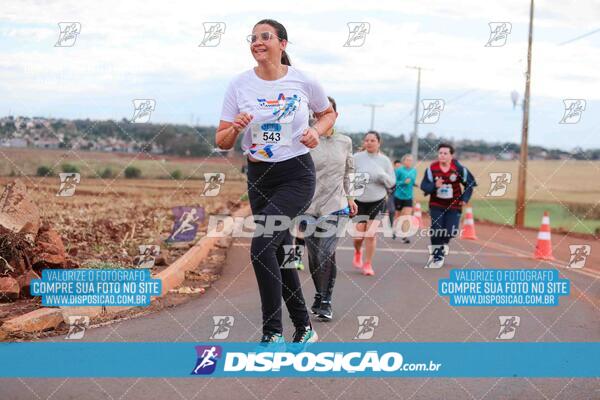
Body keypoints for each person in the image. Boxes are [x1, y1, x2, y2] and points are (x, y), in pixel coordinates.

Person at [215, 19, 336, 344]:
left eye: (264, 36)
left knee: (260, 247)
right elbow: (222, 140)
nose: (257, 42)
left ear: (282, 43)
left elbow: (327, 114)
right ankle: (305, 329)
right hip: (259, 177)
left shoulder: (304, 80)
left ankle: (272, 333)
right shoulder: (239, 84)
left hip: (295, 174)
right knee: (279, 253)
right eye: (252, 38)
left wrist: (315, 131)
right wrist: (236, 128)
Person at [299, 96, 357, 321]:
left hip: (336, 205)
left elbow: (349, 171)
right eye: (316, 113)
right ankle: (319, 294)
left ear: (335, 115)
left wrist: (351, 197)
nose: (319, 117)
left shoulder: (345, 142)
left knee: (326, 252)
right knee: (314, 256)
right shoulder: (303, 141)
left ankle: (325, 301)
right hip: (309, 205)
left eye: (325, 113)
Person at [420, 143, 477, 268]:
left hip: (454, 205)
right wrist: (435, 186)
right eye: (440, 153)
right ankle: (437, 256)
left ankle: (444, 243)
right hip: (436, 204)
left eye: (445, 153)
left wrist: (465, 198)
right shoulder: (432, 169)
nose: (442, 155)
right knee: (436, 229)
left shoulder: (459, 169)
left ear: (451, 155)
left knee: (450, 231)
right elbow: (424, 186)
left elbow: (470, 183)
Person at [351, 131, 396, 276]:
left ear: (378, 143)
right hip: (359, 201)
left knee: (371, 234)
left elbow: (392, 182)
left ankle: (368, 263)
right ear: (364, 143)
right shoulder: (356, 158)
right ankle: (358, 251)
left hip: (378, 200)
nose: (369, 143)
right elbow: (348, 177)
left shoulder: (385, 161)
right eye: (367, 140)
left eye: (372, 140)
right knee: (359, 236)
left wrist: (382, 177)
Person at [393, 154, 417, 243]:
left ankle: (405, 236)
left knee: (407, 216)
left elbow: (412, 182)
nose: (409, 162)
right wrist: (403, 182)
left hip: (408, 197)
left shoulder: (414, 171)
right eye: (407, 160)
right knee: (398, 215)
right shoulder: (399, 171)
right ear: (403, 161)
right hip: (399, 196)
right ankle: (395, 229)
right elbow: (394, 182)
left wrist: (416, 184)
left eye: (411, 160)